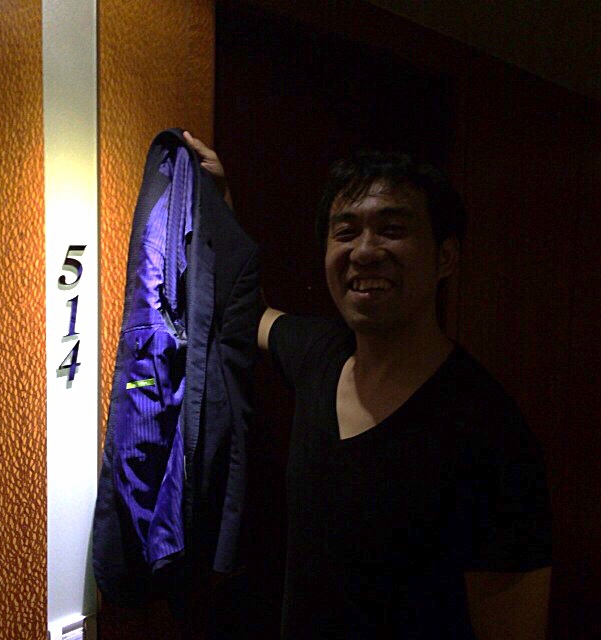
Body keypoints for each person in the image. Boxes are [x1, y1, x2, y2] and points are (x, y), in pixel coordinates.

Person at [183, 131, 553, 639]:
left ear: (446, 256)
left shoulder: (489, 432)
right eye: (346, 231)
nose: (365, 251)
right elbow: (245, 311)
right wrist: (219, 205)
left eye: (392, 229)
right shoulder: (319, 355)